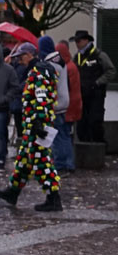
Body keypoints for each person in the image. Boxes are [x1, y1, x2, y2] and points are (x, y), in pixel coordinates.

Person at [0, 42, 63, 212]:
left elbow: (41, 97)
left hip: (37, 125)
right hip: (33, 124)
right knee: (25, 159)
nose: (19, 61)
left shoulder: (38, 71)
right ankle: (13, 191)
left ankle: (54, 198)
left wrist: (39, 121)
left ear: (29, 55)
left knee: (41, 160)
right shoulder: (39, 70)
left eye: (21, 57)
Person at [72, 30, 115, 143]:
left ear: (87, 40)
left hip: (96, 95)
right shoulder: (77, 57)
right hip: (82, 95)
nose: (77, 43)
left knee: (95, 122)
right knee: (82, 125)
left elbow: (111, 71)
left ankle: (99, 148)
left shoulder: (99, 55)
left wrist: (98, 82)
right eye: (76, 41)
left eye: (79, 41)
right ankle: (85, 150)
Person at [54, 40, 82, 173]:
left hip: (67, 107)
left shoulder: (65, 68)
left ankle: (64, 164)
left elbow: (64, 88)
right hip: (74, 105)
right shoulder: (72, 65)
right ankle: (69, 164)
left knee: (62, 136)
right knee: (66, 136)